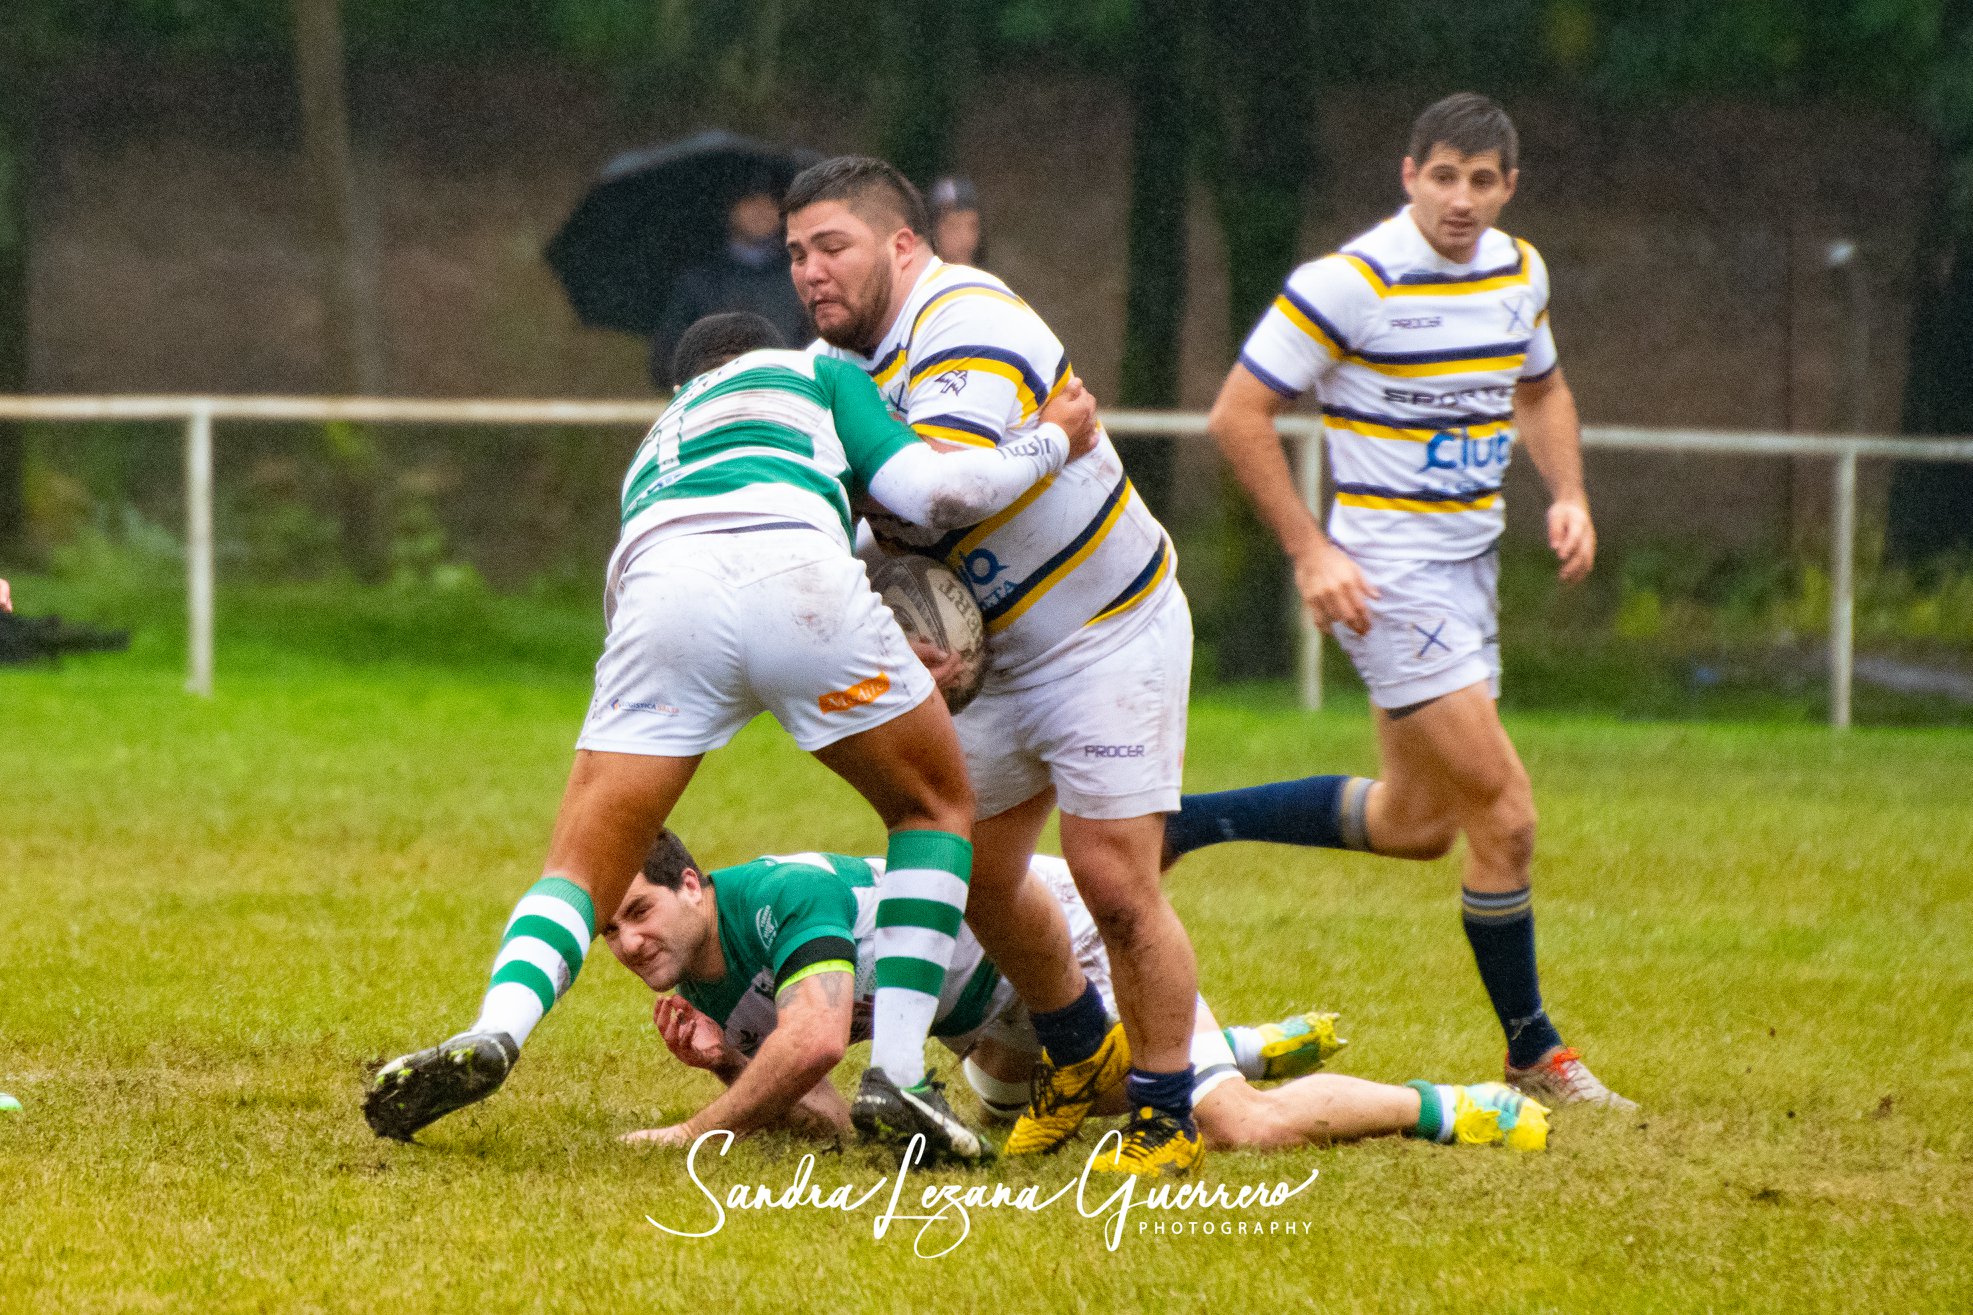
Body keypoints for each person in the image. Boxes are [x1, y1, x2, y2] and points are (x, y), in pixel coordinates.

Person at [364, 311, 1101, 1157]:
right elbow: (932, 494)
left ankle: (497, 1029)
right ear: (771, 351)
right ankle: (898, 1073)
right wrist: (1051, 437)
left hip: (661, 597)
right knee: (931, 807)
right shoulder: (816, 375)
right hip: (796, 574)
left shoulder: (661, 440)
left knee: (580, 865)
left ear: (682, 386)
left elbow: (675, 596)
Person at [1203, 92, 1634, 1110]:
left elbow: (1540, 389)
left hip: (1468, 567)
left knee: (1413, 821)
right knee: (1506, 814)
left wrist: (1566, 492)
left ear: (1506, 188)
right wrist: (1310, 552)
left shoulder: (1517, 272)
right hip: (1387, 576)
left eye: (1482, 180)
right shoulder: (1347, 283)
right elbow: (1237, 414)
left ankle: (1181, 823)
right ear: (1408, 175)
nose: (1461, 198)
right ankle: (1532, 1048)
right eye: (1443, 175)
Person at [785, 157, 1210, 1175]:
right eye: (795, 253)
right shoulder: (830, 371)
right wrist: (898, 627)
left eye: (832, 246)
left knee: (1112, 878)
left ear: (902, 245)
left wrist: (1040, 449)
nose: (809, 271)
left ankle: (1163, 1112)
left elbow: (940, 498)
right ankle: (1075, 1046)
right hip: (999, 661)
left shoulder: (964, 318)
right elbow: (851, 533)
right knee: (962, 865)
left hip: (1107, 629)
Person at [605, 832, 1550, 1155]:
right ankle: (1245, 1042)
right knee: (1022, 1113)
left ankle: (1452, 1105)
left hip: (1064, 945)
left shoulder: (777, 898)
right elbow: (844, 1119)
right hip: (993, 1035)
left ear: (693, 882)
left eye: (640, 908)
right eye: (610, 930)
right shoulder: (704, 984)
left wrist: (693, 1133)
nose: (630, 940)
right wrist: (730, 1062)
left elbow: (812, 1045)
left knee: (1231, 1127)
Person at [649, 188, 813, 389]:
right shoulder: (700, 280)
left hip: (787, 397)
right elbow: (666, 361)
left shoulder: (802, 275)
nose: (761, 211)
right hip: (714, 400)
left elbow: (817, 351)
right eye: (751, 201)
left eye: (771, 203)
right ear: (729, 208)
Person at [928, 176, 986, 268]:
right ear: (934, 229)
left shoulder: (984, 280)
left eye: (972, 227)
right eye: (954, 227)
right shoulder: (920, 279)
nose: (966, 237)